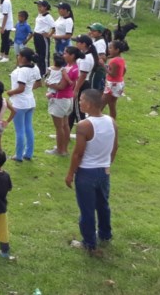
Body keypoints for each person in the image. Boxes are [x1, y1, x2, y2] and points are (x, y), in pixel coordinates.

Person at [66, 88, 117, 256]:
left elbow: (78, 153)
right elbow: (115, 146)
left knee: (87, 209)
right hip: (104, 171)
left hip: (86, 173)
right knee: (103, 205)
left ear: (88, 103)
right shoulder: (111, 121)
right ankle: (105, 234)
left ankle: (89, 243)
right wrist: (107, 163)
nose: (79, 102)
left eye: (81, 100)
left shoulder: (84, 125)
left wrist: (70, 173)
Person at [6, 47, 41, 163]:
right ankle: (28, 153)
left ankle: (19, 155)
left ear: (24, 58)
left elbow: (20, 88)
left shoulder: (22, 71)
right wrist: (29, 90)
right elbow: (39, 83)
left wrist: (10, 92)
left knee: (20, 130)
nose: (18, 57)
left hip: (19, 104)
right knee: (28, 128)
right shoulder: (35, 68)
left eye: (19, 55)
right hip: (30, 101)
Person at [46, 47, 80, 156]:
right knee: (65, 125)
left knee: (59, 127)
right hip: (68, 98)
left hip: (60, 99)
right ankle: (64, 149)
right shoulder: (73, 67)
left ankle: (60, 150)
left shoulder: (68, 70)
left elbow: (61, 86)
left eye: (66, 53)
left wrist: (49, 84)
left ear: (72, 56)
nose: (64, 55)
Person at [103, 39, 128, 118]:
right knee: (112, 104)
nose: (109, 50)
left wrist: (103, 65)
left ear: (117, 50)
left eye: (111, 48)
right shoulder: (121, 59)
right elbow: (124, 69)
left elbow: (112, 74)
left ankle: (93, 121)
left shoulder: (113, 61)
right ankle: (112, 122)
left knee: (102, 103)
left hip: (112, 84)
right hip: (119, 83)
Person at [31, 0, 54, 76]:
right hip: (36, 35)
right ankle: (39, 69)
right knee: (38, 53)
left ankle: (45, 72)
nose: (39, 8)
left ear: (45, 7)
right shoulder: (40, 15)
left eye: (40, 6)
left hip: (42, 37)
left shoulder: (48, 17)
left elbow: (54, 27)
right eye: (38, 6)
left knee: (44, 55)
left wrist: (49, 35)